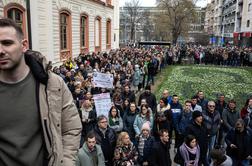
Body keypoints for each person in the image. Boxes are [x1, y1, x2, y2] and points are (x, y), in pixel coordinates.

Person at [0, 18, 82, 165]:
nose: (0, 51)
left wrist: (65, 163)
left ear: (24, 45)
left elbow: (71, 129)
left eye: (7, 43)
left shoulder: (52, 84)